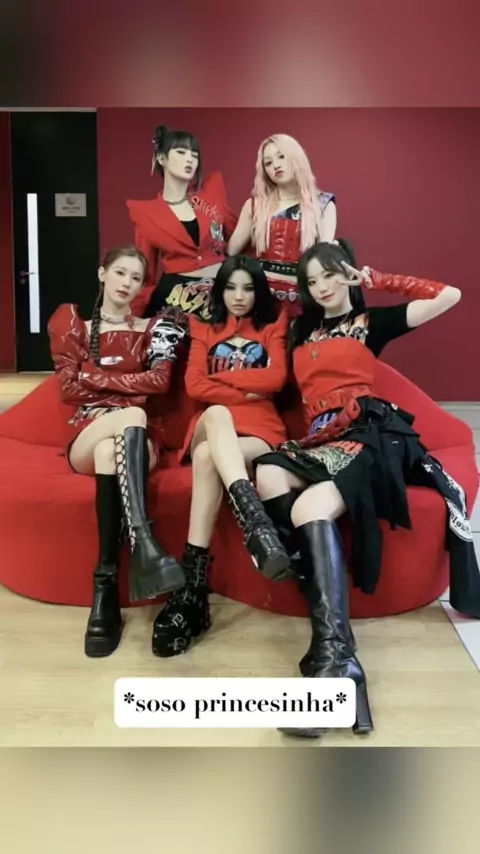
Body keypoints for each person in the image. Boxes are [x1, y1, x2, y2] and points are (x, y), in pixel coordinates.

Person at [253, 239, 480, 738]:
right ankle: (336, 643)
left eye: (330, 274)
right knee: (267, 473)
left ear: (348, 272)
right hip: (319, 438)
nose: (322, 286)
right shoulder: (301, 329)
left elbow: (450, 295)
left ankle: (332, 665)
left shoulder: (371, 323)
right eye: (312, 280)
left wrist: (379, 281)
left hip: (368, 433)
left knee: (309, 507)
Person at [47, 245, 189, 658]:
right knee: (131, 416)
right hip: (88, 433)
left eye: (136, 278)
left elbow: (159, 382)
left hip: (135, 440)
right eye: (120, 273)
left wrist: (93, 377)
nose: (127, 283)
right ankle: (144, 545)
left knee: (116, 447)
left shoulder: (155, 327)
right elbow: (69, 390)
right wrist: (125, 392)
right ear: (102, 274)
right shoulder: (72, 323)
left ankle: (105, 586)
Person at [151, 254, 291, 657]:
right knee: (216, 416)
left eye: (248, 288)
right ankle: (256, 522)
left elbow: (277, 378)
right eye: (230, 287)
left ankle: (193, 592)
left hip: (260, 432)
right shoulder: (203, 328)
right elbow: (195, 386)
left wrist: (221, 379)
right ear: (220, 291)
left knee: (209, 457)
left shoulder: (274, 325)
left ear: (258, 291)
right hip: (211, 424)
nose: (239, 296)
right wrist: (247, 389)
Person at [126, 125, 237, 322]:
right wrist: (134, 317)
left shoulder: (211, 194)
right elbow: (145, 273)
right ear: (162, 158)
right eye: (181, 152)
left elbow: (236, 238)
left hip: (220, 292)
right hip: (176, 297)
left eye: (194, 155)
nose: (190, 159)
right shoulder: (147, 214)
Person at [227, 133, 336, 313]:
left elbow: (324, 259)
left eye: (281, 156)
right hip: (259, 298)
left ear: (296, 158)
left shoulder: (323, 205)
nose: (276, 165)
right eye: (268, 163)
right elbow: (230, 253)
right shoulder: (255, 205)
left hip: (302, 299)